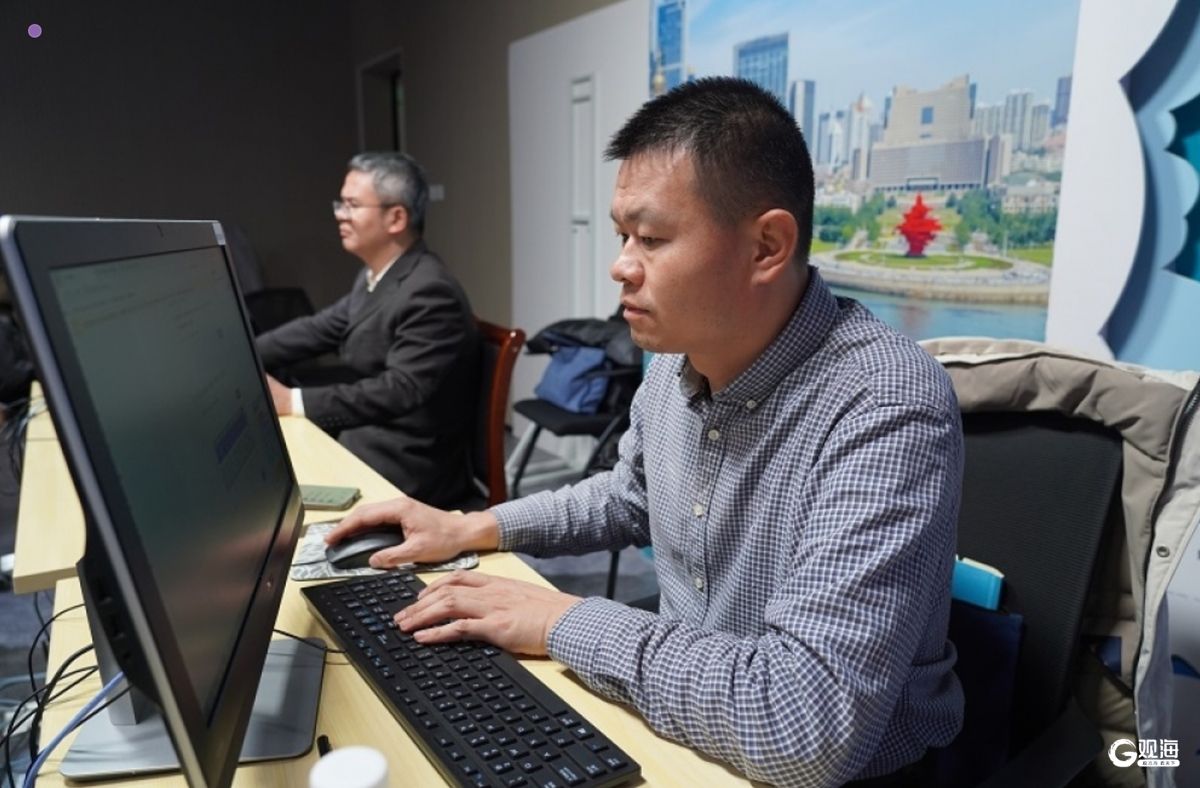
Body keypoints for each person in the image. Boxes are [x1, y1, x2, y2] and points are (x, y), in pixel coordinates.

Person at [327, 79, 964, 786]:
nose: (621, 265)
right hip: (687, 713)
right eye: (622, 235)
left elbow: (802, 721)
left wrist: (559, 621)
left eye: (652, 238)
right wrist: (470, 527)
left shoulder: (883, 403)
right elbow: (629, 494)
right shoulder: (676, 365)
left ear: (767, 246)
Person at [256, 152, 479, 509]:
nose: (340, 214)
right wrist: (244, 354)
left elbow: (399, 389)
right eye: (341, 204)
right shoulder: (375, 274)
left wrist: (293, 401)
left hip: (409, 461)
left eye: (353, 205)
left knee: (273, 493)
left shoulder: (429, 290)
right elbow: (319, 328)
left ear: (396, 218)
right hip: (369, 432)